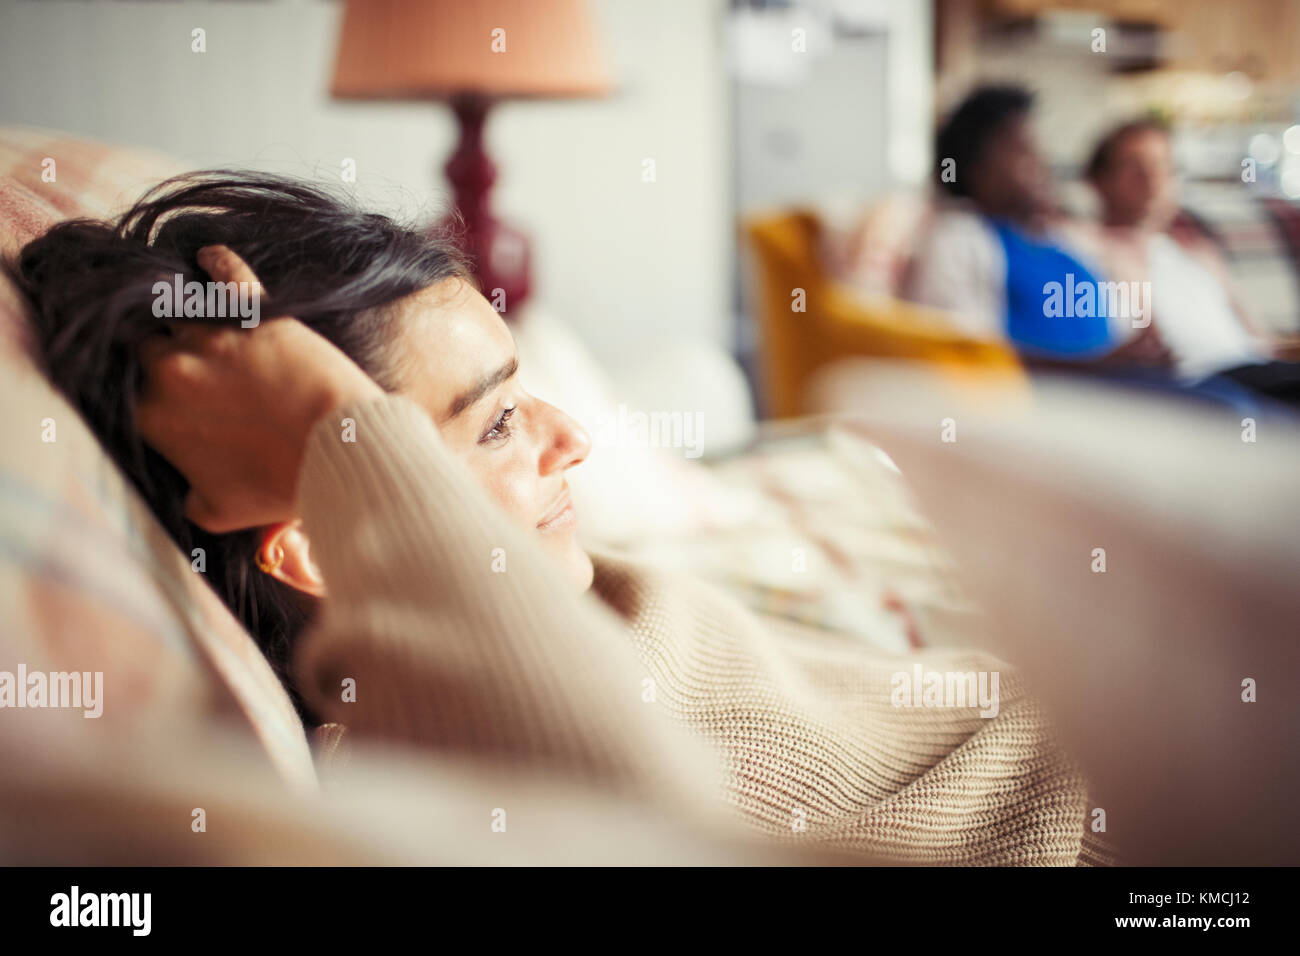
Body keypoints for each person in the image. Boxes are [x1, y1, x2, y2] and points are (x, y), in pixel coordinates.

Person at [13, 172, 1113, 864]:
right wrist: (338, 429)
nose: (569, 437)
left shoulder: (547, 583)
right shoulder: (437, 753)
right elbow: (645, 827)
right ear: (317, 538)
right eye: (492, 425)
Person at [907, 85, 1168, 368]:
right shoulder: (958, 238)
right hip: (1045, 404)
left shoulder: (1067, 244)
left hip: (1121, 393)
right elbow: (961, 357)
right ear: (975, 169)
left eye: (1037, 146)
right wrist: (1095, 366)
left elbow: (1121, 336)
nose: (1040, 161)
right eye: (1021, 150)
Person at [1067, 118, 1300, 407]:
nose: (1152, 179)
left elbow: (1263, 342)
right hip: (1200, 384)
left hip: (1259, 376)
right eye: (1133, 166)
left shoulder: (1199, 252)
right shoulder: (1085, 244)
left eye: (1164, 166)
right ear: (1097, 180)